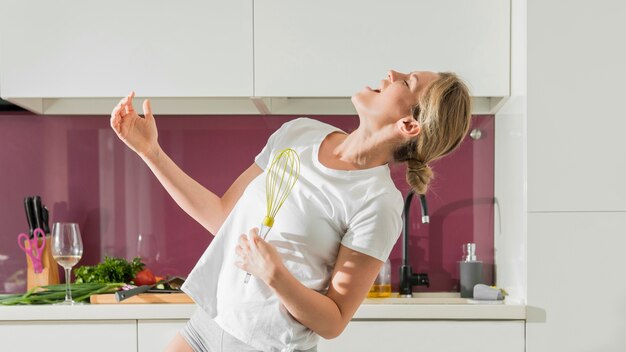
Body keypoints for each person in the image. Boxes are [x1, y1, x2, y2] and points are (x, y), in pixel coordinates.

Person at [110, 70, 471, 352]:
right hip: (205, 327)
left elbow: (333, 321)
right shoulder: (300, 133)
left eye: (407, 82)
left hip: (268, 345)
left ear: (408, 125)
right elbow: (222, 217)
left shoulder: (378, 201)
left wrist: (275, 275)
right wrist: (150, 153)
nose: (391, 73)